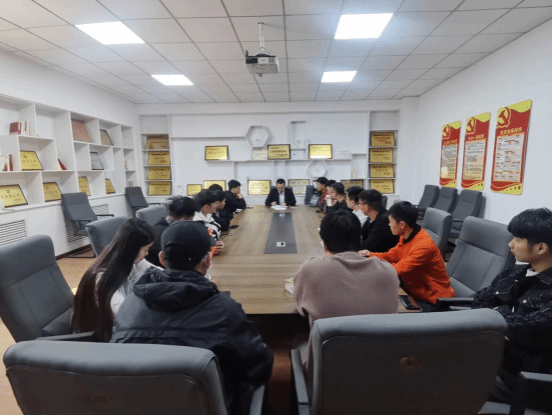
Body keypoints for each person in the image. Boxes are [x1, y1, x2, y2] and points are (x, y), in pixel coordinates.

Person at [111, 221, 273, 415]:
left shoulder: (129, 306)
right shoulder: (225, 309)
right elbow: (259, 366)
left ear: (162, 259)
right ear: (208, 260)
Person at [471, 208, 552, 405]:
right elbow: (479, 300)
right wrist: (503, 320)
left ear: (541, 248)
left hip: (524, 381)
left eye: (517, 239)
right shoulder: (514, 273)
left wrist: (497, 312)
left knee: (441, 380)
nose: (510, 244)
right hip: (494, 359)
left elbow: (525, 329)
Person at [294, 209, 399, 327]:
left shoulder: (310, 270)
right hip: (379, 339)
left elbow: (300, 308)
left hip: (330, 339)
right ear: (360, 240)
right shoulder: (388, 271)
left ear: (325, 245)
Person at [71, 218, 156, 342]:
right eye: (145, 249)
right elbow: (126, 314)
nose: (147, 253)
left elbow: (159, 273)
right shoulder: (101, 277)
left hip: (119, 327)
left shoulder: (130, 261)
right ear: (132, 249)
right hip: (100, 337)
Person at [368, 201, 454, 311]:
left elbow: (396, 270)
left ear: (402, 224)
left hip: (433, 301)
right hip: (413, 291)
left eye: (390, 222)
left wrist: (368, 269)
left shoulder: (424, 246)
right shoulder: (406, 234)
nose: (389, 225)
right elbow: (393, 255)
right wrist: (369, 255)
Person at [146, 196, 198, 267]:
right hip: (161, 270)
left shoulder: (175, 226)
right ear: (183, 220)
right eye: (191, 219)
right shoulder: (163, 235)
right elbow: (174, 261)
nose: (192, 221)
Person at [194, 189, 224, 255]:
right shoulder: (195, 222)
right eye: (215, 204)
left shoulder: (208, 216)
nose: (216, 206)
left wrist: (218, 244)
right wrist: (210, 248)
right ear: (206, 207)